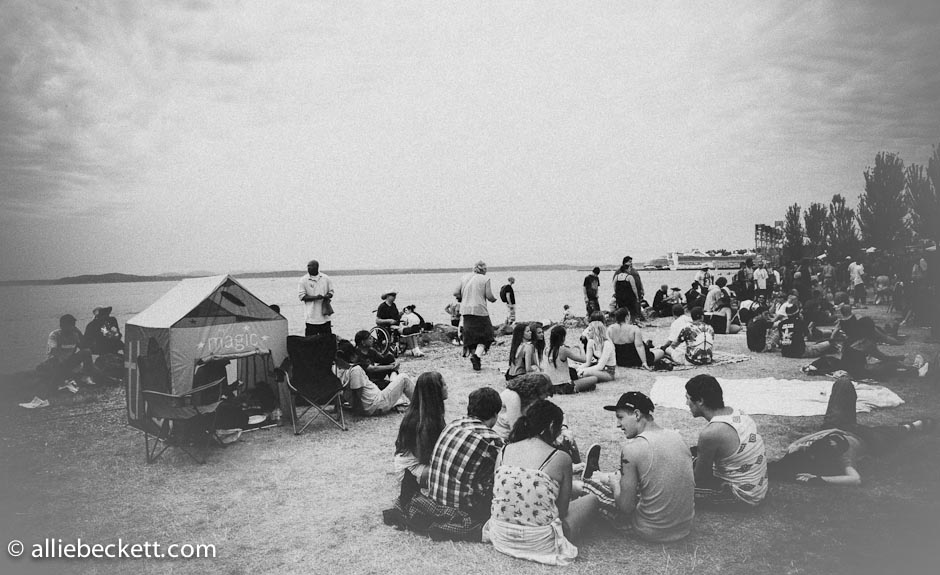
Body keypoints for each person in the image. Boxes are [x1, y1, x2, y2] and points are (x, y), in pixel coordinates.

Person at [483, 400, 598, 565]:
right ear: (551, 426)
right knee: (592, 500)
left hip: (500, 536)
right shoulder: (560, 457)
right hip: (540, 542)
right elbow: (562, 511)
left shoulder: (505, 450)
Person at [769, 377, 935, 486]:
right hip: (866, 438)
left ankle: (909, 427)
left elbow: (825, 433)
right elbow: (855, 479)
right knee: (886, 434)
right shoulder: (841, 455)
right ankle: (911, 426)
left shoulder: (827, 447)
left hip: (841, 428)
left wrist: (796, 446)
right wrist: (819, 478)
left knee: (843, 383)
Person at [579, 392, 695, 542]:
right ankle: (602, 477)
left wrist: (614, 484)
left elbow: (626, 507)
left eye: (620, 417)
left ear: (637, 414)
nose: (618, 424)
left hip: (650, 530)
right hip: (684, 527)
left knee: (593, 490)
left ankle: (588, 479)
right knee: (636, 481)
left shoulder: (633, 449)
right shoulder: (677, 437)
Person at [424, 387, 504, 540]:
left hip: (435, 498)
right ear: (495, 414)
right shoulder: (492, 440)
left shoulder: (453, 424)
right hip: (463, 509)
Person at [685, 375, 768, 508]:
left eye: (688, 398)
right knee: (693, 453)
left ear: (700, 401)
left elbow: (700, 478)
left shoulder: (711, 433)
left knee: (673, 489)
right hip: (757, 486)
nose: (686, 404)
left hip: (742, 495)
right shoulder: (736, 412)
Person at [394, 372, 448, 486]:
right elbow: (424, 455)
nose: (447, 387)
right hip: (410, 470)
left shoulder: (429, 414)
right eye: (443, 385)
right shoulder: (420, 421)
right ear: (435, 391)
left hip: (418, 463)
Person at [29, 314, 95, 407]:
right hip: (56, 362)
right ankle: (53, 388)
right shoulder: (55, 335)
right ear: (62, 326)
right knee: (55, 368)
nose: (72, 327)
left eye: (73, 325)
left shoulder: (75, 335)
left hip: (69, 362)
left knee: (87, 352)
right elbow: (54, 351)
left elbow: (84, 347)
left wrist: (79, 334)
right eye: (70, 325)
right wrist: (63, 361)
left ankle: (87, 377)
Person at [344, 331, 415, 414]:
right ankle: (420, 404)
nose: (372, 340)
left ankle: (394, 384)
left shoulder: (347, 371)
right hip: (374, 395)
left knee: (389, 359)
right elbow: (372, 369)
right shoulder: (357, 364)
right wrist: (392, 367)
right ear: (363, 342)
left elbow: (383, 359)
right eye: (369, 338)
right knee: (404, 378)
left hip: (373, 396)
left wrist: (392, 362)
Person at [454, 261, 497, 371]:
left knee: (471, 336)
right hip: (480, 310)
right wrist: (494, 299)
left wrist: (464, 298)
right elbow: (489, 295)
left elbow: (455, 293)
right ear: (484, 269)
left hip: (466, 310)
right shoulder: (485, 279)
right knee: (487, 335)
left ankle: (475, 357)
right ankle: (477, 356)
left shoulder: (464, 277)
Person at [493, 372, 554, 440]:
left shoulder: (526, 399)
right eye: (542, 396)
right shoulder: (512, 396)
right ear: (535, 391)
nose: (543, 399)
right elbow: (516, 431)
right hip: (501, 439)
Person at [545, 325, 599, 392]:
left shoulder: (547, 349)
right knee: (594, 378)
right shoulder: (563, 350)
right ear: (562, 337)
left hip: (552, 386)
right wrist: (581, 348)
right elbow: (584, 359)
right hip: (565, 386)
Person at [298, 259, 334, 336]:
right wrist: (316, 297)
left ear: (316, 267)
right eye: (308, 266)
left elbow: (331, 292)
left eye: (310, 266)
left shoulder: (326, 278)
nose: (308, 268)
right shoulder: (303, 280)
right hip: (311, 317)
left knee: (327, 339)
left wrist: (326, 296)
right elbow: (302, 296)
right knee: (310, 340)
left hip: (325, 317)